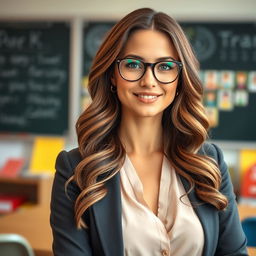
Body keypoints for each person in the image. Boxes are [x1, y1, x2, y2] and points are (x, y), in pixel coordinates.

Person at [50, 8, 248, 256]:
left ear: (180, 78)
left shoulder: (209, 162)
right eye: (133, 64)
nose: (149, 81)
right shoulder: (75, 170)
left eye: (165, 67)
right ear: (113, 74)